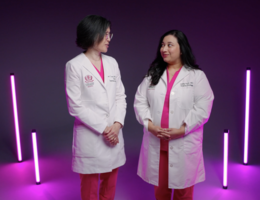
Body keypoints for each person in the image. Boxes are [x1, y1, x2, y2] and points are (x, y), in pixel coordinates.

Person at [133, 30, 214, 200]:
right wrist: (150, 126)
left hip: (183, 144)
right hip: (158, 143)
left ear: (182, 49)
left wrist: (182, 130)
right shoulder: (152, 75)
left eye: (170, 45)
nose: (164, 49)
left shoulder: (196, 76)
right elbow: (140, 101)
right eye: (162, 45)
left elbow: (203, 107)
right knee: (160, 193)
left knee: (183, 194)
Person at [65, 15, 126, 200]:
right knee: (90, 187)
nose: (109, 38)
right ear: (92, 34)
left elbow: (120, 96)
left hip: (114, 134)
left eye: (110, 34)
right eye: (105, 34)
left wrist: (116, 125)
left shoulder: (112, 62)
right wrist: (105, 129)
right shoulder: (74, 66)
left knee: (110, 184)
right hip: (92, 136)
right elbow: (75, 106)